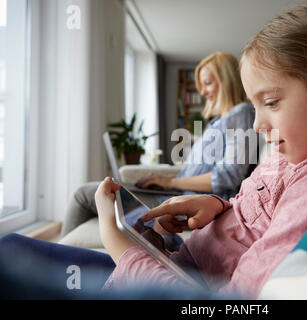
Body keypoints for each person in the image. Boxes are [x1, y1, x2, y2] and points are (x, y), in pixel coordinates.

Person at [0, 1, 307, 299]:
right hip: (170, 259)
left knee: (9, 259)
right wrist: (216, 206)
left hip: (156, 280)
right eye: (256, 104)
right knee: (11, 246)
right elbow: (251, 209)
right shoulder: (291, 153)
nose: (258, 125)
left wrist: (116, 243)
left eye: (272, 102)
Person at [61, 52, 257, 237]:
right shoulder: (219, 121)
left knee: (84, 194)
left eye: (208, 83)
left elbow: (228, 176)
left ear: (227, 81)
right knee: (99, 192)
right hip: (175, 196)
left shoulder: (241, 113)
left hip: (185, 204)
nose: (203, 92)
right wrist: (164, 182)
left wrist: (170, 182)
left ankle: (59, 262)